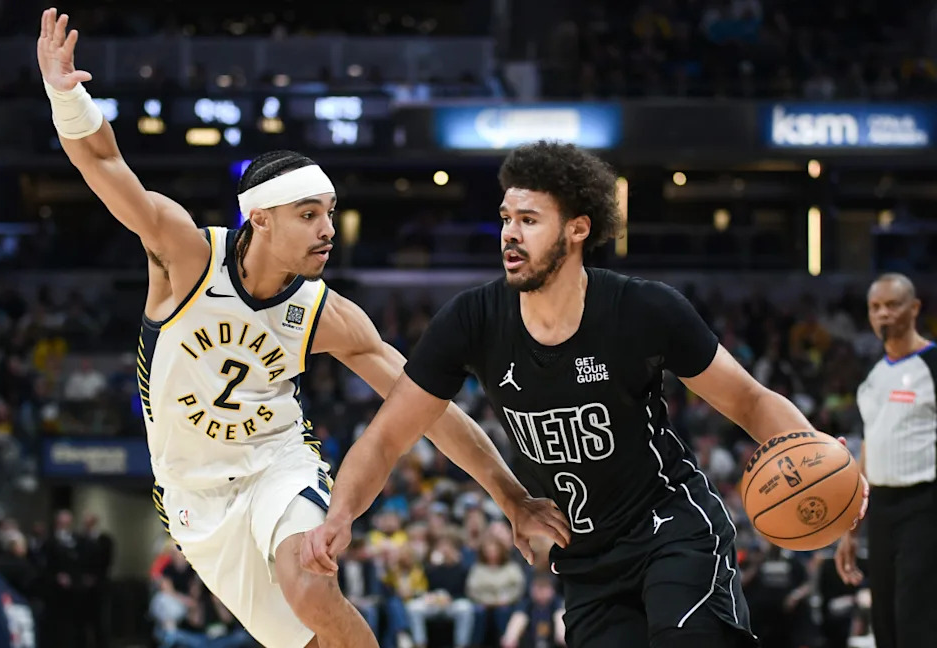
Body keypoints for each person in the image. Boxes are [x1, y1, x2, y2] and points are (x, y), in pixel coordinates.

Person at [36, 9, 567, 648]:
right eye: (309, 214)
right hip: (191, 494)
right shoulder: (186, 257)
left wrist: (511, 498)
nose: (327, 230)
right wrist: (66, 97)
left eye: (330, 213)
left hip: (277, 464)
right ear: (259, 218)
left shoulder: (324, 313)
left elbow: (427, 405)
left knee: (312, 588)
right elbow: (104, 163)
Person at [301, 140, 869, 648]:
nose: (510, 234)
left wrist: (818, 454)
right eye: (506, 218)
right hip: (586, 559)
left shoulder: (643, 309)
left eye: (529, 220)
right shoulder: (471, 321)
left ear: (577, 228)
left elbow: (748, 399)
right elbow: (387, 436)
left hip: (671, 527)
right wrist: (339, 515)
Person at [835, 273, 937, 648]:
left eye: (892, 305)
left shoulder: (932, 363)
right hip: (880, 508)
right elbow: (870, 447)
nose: (883, 314)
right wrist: (851, 527)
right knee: (886, 622)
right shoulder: (875, 376)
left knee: (916, 620)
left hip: (924, 503)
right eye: (875, 307)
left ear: (914, 308)